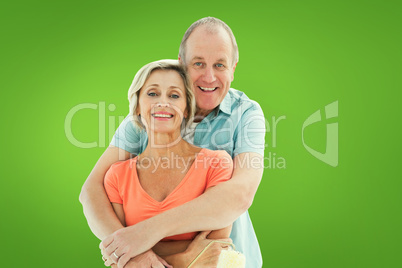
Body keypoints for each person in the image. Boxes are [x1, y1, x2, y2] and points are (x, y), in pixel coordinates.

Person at [80, 17, 265, 267]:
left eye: (220, 65)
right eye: (198, 63)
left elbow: (239, 195)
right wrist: (133, 254)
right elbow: (92, 190)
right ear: (182, 65)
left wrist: (143, 234)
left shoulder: (247, 114)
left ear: (233, 68)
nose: (209, 77)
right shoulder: (149, 115)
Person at [103, 59, 234, 267]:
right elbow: (119, 255)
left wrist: (140, 251)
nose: (162, 103)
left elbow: (215, 253)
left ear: (186, 109)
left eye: (174, 95)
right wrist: (186, 257)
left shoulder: (216, 164)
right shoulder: (117, 176)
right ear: (137, 106)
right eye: (152, 93)